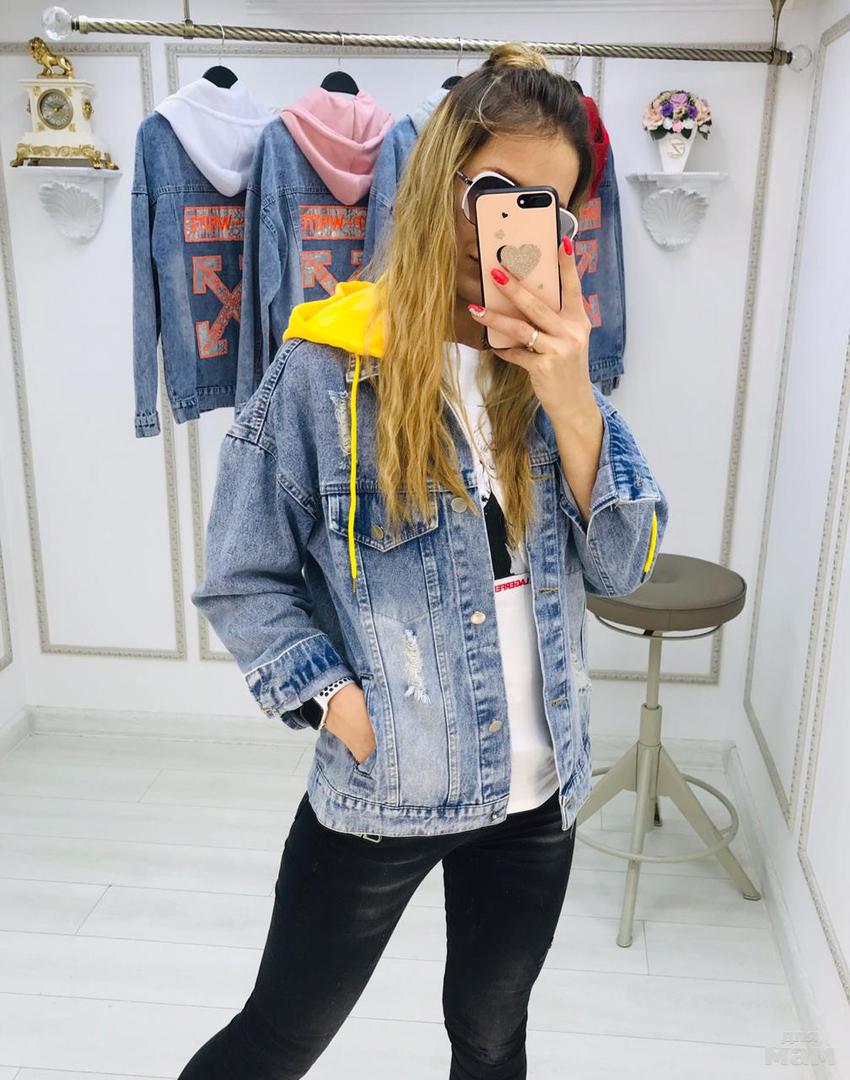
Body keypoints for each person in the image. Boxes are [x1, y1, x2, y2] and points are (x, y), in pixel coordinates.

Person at [181, 40, 669, 1080]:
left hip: (538, 798)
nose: (510, 229)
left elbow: (623, 569)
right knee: (278, 1039)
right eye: (491, 192)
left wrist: (573, 399)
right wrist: (337, 702)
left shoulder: (556, 380)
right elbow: (241, 574)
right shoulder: (324, 370)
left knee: (491, 1040)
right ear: (435, 179)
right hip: (387, 790)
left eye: (544, 207)